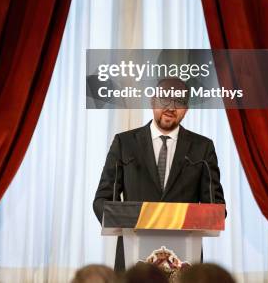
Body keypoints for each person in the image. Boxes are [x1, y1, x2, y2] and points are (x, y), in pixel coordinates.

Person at [93, 77, 226, 270]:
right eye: (165, 99)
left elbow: (216, 207)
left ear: (186, 109)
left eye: (179, 102)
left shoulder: (202, 148)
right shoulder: (125, 143)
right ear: (152, 101)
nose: (171, 107)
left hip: (185, 262)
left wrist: (200, 216)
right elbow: (102, 200)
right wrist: (127, 220)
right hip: (134, 258)